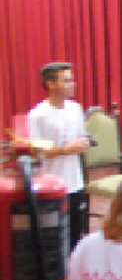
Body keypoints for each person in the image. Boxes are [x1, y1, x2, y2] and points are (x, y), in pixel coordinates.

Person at [27, 60, 91, 249]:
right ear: (50, 84)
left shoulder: (75, 109)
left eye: (72, 80)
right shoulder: (38, 115)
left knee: (75, 233)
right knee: (54, 236)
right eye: (66, 81)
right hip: (51, 183)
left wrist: (84, 143)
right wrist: (65, 150)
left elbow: (80, 136)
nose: (72, 85)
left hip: (75, 181)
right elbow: (36, 151)